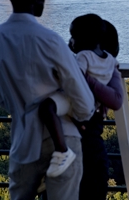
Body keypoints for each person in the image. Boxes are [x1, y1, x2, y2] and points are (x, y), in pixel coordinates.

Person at [0, 0, 95, 200]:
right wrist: (73, 111)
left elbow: (3, 99)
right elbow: (83, 101)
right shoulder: (50, 40)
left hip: (22, 138)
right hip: (63, 136)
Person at [37, 14, 117, 177]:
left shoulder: (83, 56)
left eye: (74, 36)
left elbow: (74, 76)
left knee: (47, 107)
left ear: (85, 39)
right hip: (94, 107)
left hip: (76, 100)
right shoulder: (110, 60)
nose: (71, 40)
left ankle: (60, 152)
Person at [78, 19, 124, 200]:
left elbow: (116, 100)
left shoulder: (76, 65)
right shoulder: (108, 67)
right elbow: (116, 100)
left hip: (68, 143)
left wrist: (85, 78)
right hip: (90, 142)